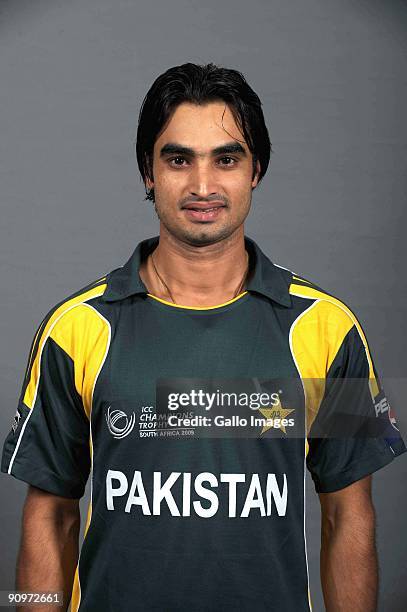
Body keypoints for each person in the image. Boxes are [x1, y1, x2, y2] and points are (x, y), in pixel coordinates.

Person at [1, 62, 405, 612]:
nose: (203, 186)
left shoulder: (329, 328)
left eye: (227, 158)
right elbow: (50, 513)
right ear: (148, 171)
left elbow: (347, 511)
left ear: (256, 169)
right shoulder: (75, 329)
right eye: (178, 159)